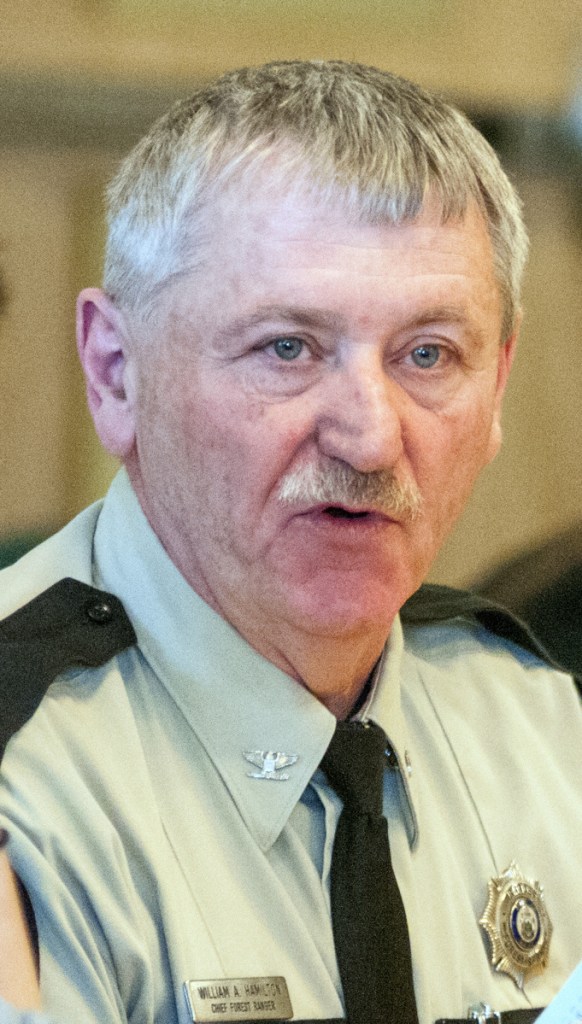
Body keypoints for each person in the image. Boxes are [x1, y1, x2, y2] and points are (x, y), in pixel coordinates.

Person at [0, 61, 580, 1024]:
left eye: (427, 354)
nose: (370, 435)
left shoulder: (536, 724)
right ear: (114, 373)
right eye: (288, 348)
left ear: (500, 386)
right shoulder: (30, 780)